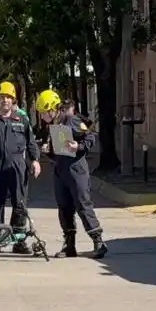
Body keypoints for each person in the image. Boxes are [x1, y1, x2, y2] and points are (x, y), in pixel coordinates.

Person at [35, 88, 107, 259]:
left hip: (76, 170)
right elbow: (57, 149)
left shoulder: (71, 120)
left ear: (53, 109)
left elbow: (89, 137)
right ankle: (69, 245)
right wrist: (47, 150)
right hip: (60, 169)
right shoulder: (53, 125)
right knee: (64, 207)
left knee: (83, 205)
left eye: (44, 113)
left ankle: (98, 242)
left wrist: (78, 146)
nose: (42, 117)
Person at [0, 80, 41, 254]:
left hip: (17, 166)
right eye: (2, 97)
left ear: (13, 100)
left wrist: (35, 160)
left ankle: (18, 241)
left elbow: (31, 143)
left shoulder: (22, 119)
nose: (5, 101)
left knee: (20, 203)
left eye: (9, 97)